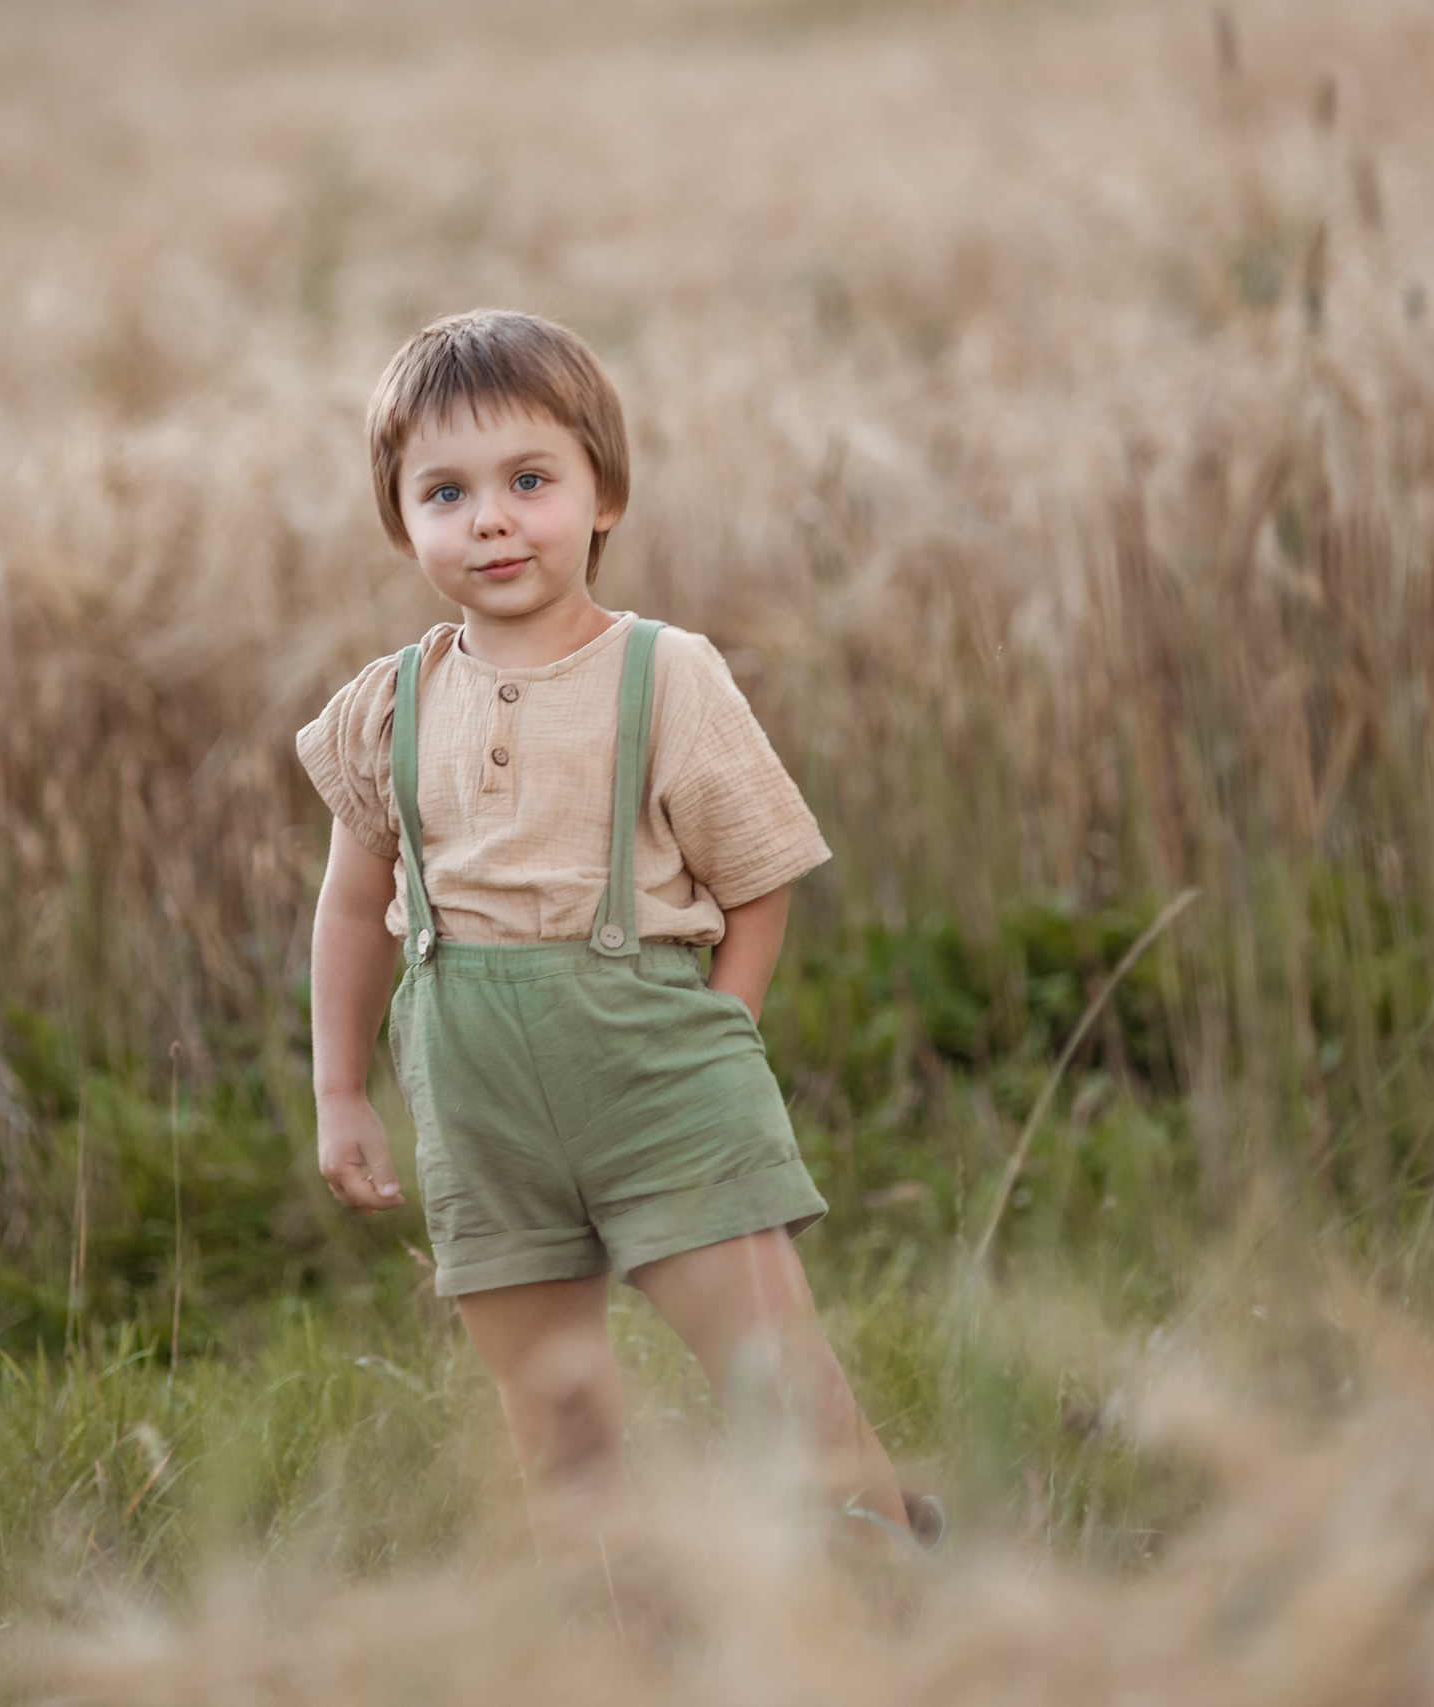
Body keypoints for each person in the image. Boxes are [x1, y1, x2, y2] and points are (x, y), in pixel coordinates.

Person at [297, 308, 935, 1547]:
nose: (489, 518)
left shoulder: (666, 674)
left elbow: (758, 877)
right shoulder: (389, 706)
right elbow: (350, 903)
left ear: (604, 496)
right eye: (444, 492)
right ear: (400, 523)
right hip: (479, 1108)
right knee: (556, 1422)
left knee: (774, 1381)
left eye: (528, 481)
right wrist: (339, 1088)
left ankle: (890, 1578)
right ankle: (617, 1637)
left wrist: (723, 1028)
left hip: (657, 1075)